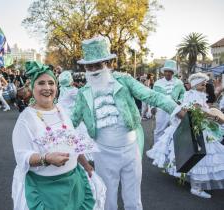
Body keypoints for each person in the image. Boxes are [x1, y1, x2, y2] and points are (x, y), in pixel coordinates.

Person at [71, 36, 186, 210]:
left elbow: (150, 95)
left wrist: (176, 109)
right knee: (107, 199)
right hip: (103, 153)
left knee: (133, 199)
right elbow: (71, 122)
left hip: (130, 149)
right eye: (89, 66)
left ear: (108, 63)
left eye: (98, 65)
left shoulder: (124, 80)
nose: (93, 70)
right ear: (85, 67)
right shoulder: (83, 93)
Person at [12, 61, 106, 210]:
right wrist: (47, 158)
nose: (47, 87)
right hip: (46, 190)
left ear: (56, 86)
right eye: (41, 83)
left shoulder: (61, 110)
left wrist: (87, 166)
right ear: (32, 87)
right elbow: (22, 157)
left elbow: (73, 143)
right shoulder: (26, 118)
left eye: (51, 83)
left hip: (74, 184)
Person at [147, 72, 224, 199]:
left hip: (196, 125)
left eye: (204, 84)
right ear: (195, 86)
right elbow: (197, 111)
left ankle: (194, 183)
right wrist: (214, 116)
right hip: (195, 126)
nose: (204, 87)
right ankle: (196, 187)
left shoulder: (194, 94)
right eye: (202, 85)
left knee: (195, 154)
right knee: (200, 155)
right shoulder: (194, 95)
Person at [152, 60, 186, 144]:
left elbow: (184, 94)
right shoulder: (157, 83)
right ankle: (157, 151)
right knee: (159, 130)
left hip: (175, 109)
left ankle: (173, 151)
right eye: (166, 71)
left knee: (175, 129)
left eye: (169, 71)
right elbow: (153, 96)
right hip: (161, 109)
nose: (167, 73)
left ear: (173, 72)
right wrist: (153, 107)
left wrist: (179, 101)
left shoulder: (179, 83)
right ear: (163, 72)